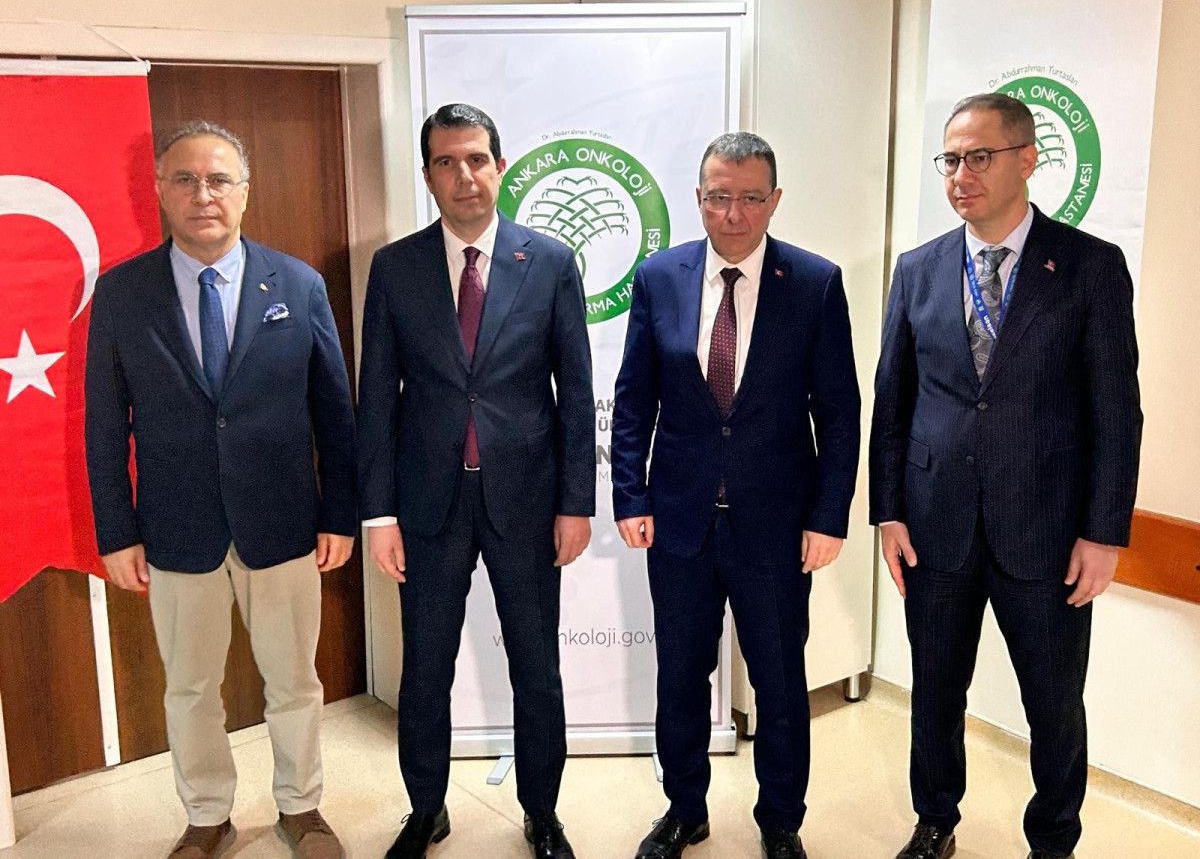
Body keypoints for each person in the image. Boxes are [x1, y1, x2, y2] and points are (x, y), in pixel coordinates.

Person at [869, 92, 1142, 859]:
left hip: (1048, 533)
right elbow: (893, 401)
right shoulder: (918, 269)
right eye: (951, 159)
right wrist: (889, 511)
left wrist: (1104, 533)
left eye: (979, 157)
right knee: (935, 693)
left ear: (1026, 159)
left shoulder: (1089, 267)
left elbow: (1116, 412)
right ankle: (935, 822)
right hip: (936, 527)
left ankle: (1053, 841)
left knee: (1053, 706)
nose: (961, 174)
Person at [85, 120, 356, 859]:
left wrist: (340, 512)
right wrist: (116, 530)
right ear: (160, 191)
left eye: (218, 179)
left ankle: (301, 807)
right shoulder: (122, 293)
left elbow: (334, 411)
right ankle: (207, 815)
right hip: (176, 526)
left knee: (294, 681)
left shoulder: (297, 284)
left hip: (284, 522)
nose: (202, 194)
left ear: (244, 191)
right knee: (190, 688)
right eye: (185, 179)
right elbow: (104, 423)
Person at [611, 132, 861, 859]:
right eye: (719, 197)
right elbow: (634, 400)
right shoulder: (660, 277)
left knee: (780, 684)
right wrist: (630, 496)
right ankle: (684, 808)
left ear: (775, 200)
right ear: (698, 198)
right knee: (681, 677)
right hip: (679, 523)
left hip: (777, 526)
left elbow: (839, 412)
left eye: (751, 198)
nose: (734, 214)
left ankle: (781, 822)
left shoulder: (814, 282)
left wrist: (829, 515)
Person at [356, 103, 595, 859]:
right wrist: (378, 515)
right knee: (425, 670)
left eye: (477, 158)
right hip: (427, 504)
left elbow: (576, 392)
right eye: (446, 162)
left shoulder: (549, 261)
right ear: (428, 175)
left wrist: (576, 504)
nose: (464, 175)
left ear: (500, 166)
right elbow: (375, 399)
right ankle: (426, 809)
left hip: (526, 501)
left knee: (537, 667)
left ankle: (542, 812)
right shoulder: (394, 268)